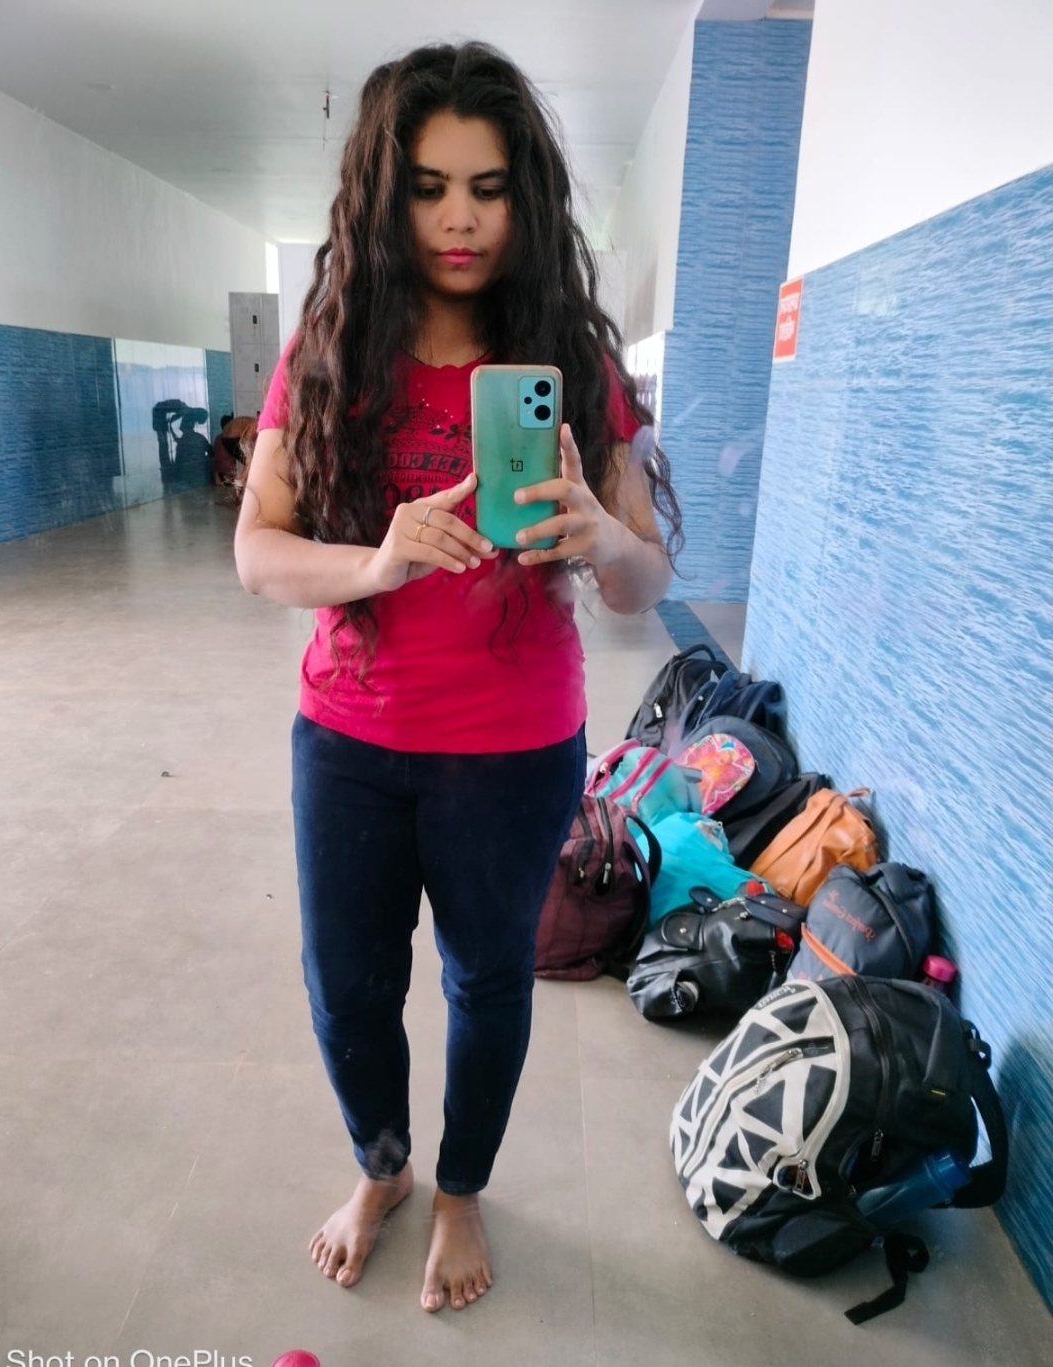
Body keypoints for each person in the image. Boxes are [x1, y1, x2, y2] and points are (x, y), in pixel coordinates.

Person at [233, 41, 683, 1315]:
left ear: (523, 196)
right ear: (386, 199)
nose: (460, 219)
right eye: (429, 188)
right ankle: (383, 1166)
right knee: (348, 986)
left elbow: (645, 580)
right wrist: (377, 562)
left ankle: (463, 1186)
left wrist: (602, 540)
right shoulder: (328, 351)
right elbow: (258, 551)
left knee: (487, 980)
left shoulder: (571, 363)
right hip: (349, 737)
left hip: (514, 745)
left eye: (487, 188)